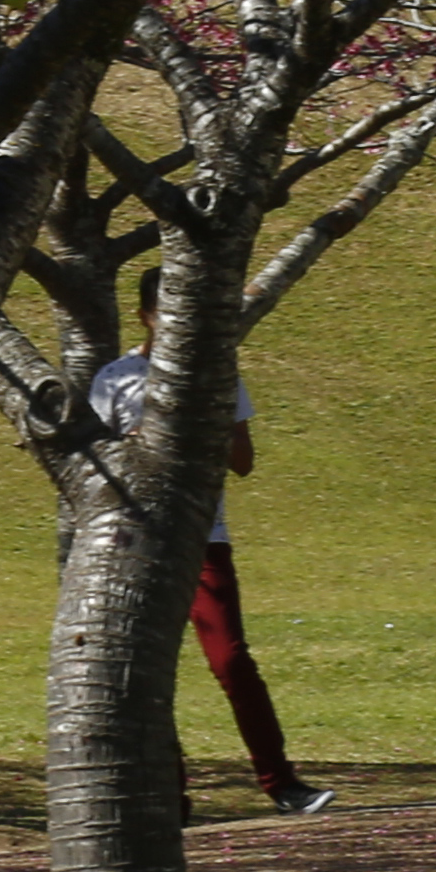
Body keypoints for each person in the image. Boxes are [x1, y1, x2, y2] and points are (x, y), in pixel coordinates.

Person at [82, 323, 333, 815]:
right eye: (163, 310)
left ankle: (282, 784)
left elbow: (243, 460)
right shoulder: (115, 378)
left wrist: (197, 431)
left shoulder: (217, 374)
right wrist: (133, 445)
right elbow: (93, 464)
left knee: (231, 661)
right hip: (134, 541)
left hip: (202, 538)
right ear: (146, 315)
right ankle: (169, 797)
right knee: (146, 670)